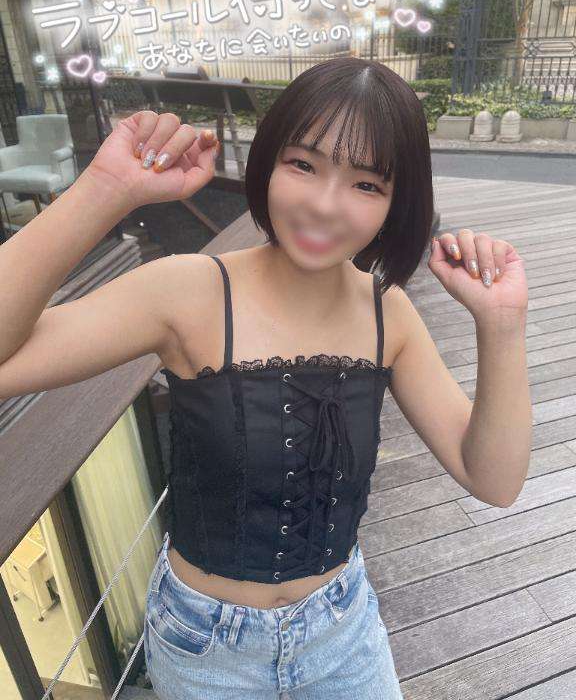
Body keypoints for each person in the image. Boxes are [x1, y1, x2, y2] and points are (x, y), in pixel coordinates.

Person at [0, 57, 531, 699]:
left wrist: (501, 324)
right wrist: (106, 188)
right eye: (303, 165)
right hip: (205, 651)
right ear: (269, 162)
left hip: (342, 634)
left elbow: (493, 479)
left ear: (397, 204)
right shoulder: (189, 294)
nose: (324, 206)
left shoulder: (387, 313)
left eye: (366, 184)